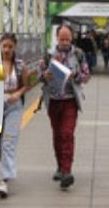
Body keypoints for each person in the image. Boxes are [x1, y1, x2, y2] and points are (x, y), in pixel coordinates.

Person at [37, 24, 90, 190]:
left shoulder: (78, 54)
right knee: (57, 135)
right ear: (57, 38)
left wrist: (76, 75)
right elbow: (40, 76)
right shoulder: (49, 55)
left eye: (67, 39)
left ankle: (67, 171)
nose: (65, 42)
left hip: (70, 100)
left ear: (72, 38)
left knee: (67, 134)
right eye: (62, 39)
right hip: (53, 100)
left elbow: (86, 75)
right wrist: (45, 75)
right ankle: (60, 166)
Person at [0, 33, 28, 199]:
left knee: (8, 141)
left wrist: (18, 93)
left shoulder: (20, 65)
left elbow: (27, 84)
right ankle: (5, 168)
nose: (7, 50)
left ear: (14, 47)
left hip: (13, 105)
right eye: (4, 46)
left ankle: (4, 180)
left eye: (10, 46)